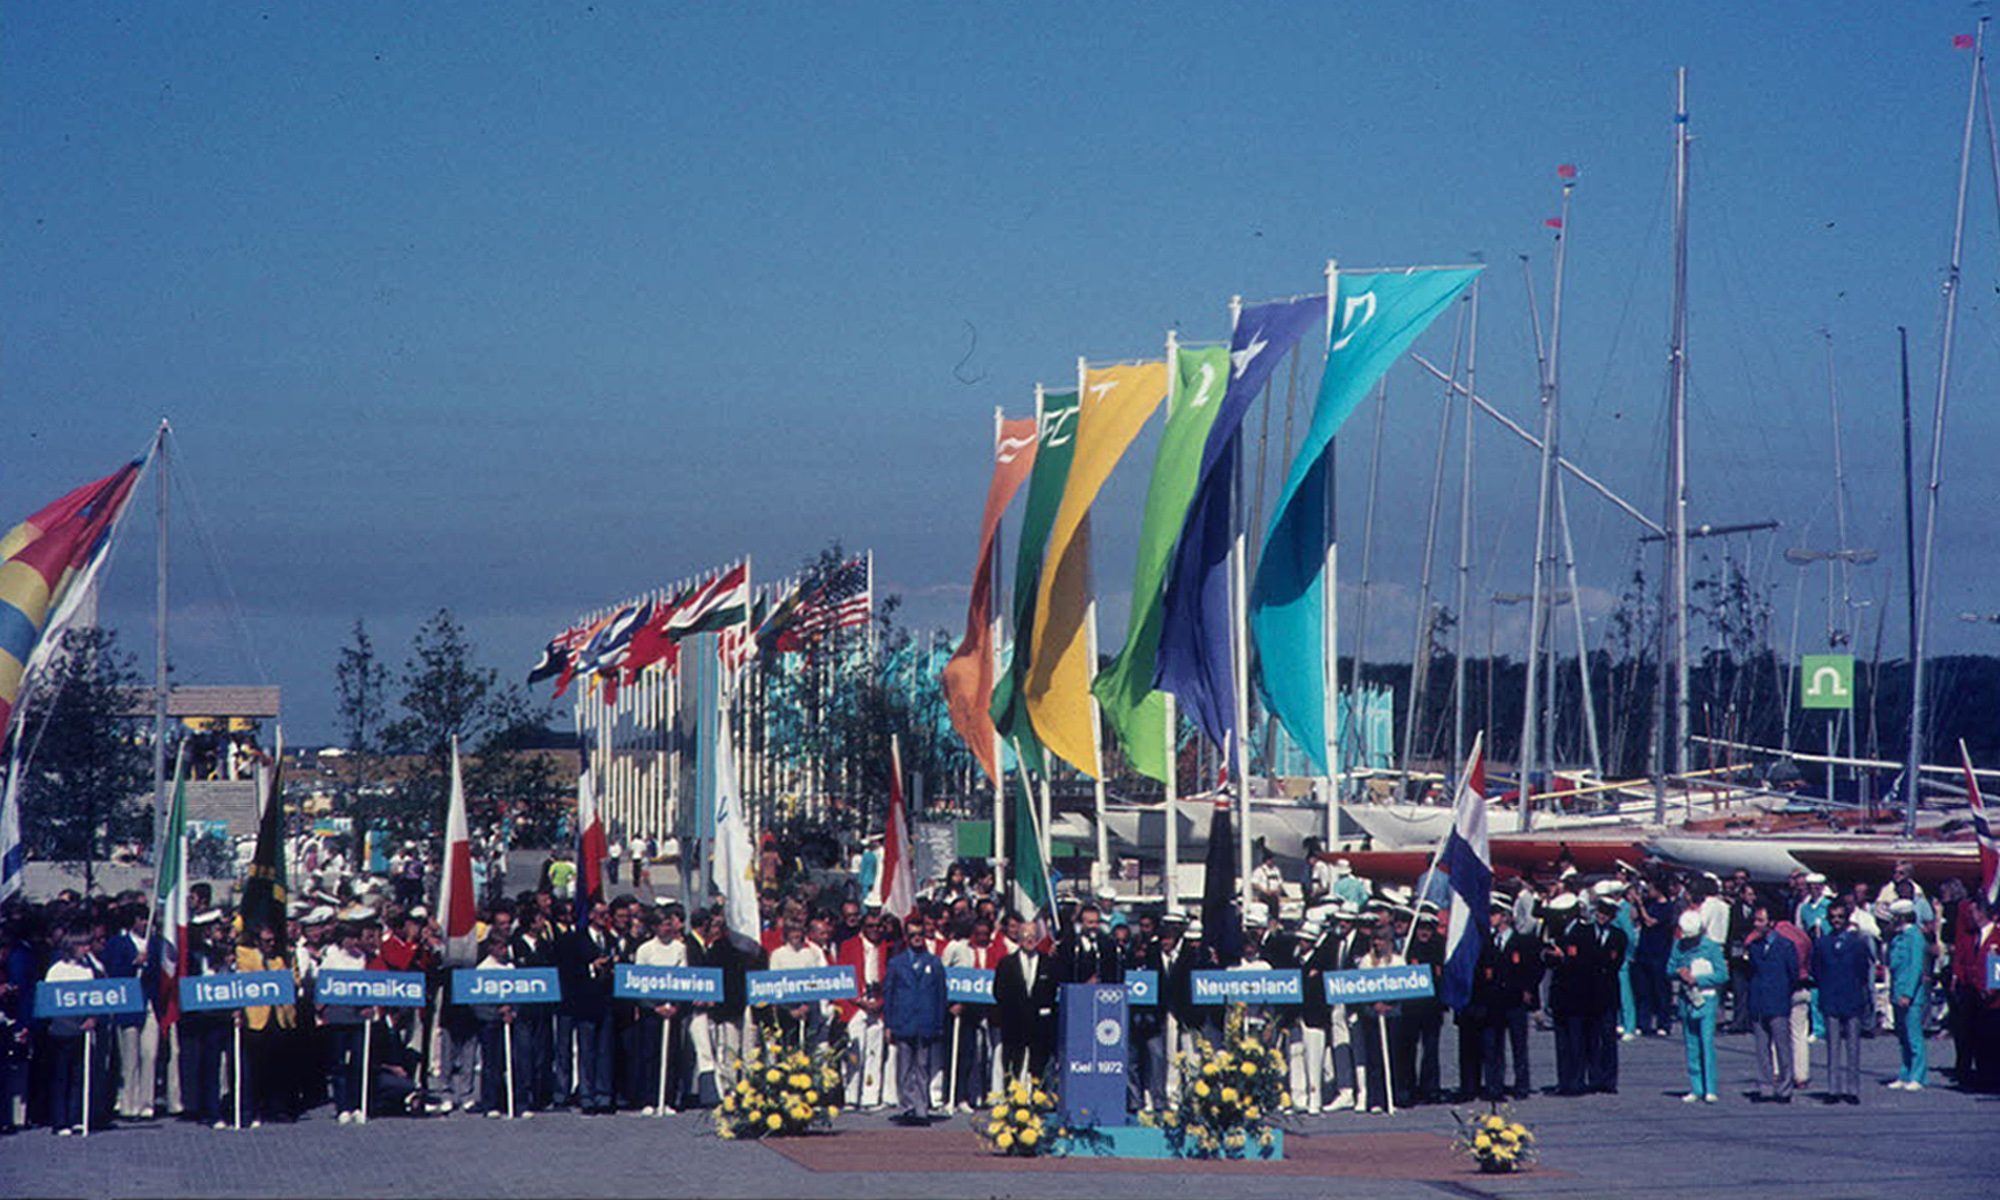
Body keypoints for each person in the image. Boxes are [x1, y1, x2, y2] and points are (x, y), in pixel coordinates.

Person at [555, 900, 618, 1114]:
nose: (604, 916)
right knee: (586, 1050)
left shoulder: (610, 939)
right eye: (600, 913)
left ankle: (604, 1094)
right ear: (590, 915)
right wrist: (592, 966)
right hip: (584, 1001)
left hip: (606, 1001)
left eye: (606, 913)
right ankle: (586, 1094)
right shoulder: (576, 939)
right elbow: (570, 969)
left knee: (604, 1050)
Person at [882, 914, 946, 1125]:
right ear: (907, 938)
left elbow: (940, 995)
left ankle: (921, 1107)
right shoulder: (896, 963)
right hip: (903, 1021)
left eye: (920, 935)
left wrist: (939, 1023)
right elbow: (889, 995)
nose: (917, 938)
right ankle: (907, 1105)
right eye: (912, 935)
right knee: (904, 1067)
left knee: (923, 1066)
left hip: (926, 1022)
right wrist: (889, 1024)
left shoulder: (934, 963)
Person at [1476, 898, 1541, 1101]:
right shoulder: (1488, 942)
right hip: (1494, 1001)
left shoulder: (1522, 942)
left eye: (1494, 914)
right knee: (1494, 1047)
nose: (1491, 918)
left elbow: (1534, 968)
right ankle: (1495, 1086)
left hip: (1515, 999)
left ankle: (1522, 1086)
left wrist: (1529, 990)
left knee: (1519, 1045)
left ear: (1504, 917)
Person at [1810, 902, 1872, 1105]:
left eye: (1840, 917)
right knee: (1832, 1046)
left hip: (1852, 997)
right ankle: (1833, 1088)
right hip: (1830, 998)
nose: (1836, 921)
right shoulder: (1822, 944)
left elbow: (1863, 971)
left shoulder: (1858, 943)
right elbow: (1817, 970)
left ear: (1847, 920)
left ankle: (1852, 1089)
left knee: (1853, 1046)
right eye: (1833, 917)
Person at [632, 903, 691, 1115]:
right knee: (650, 1054)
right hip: (652, 1011)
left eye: (670, 925)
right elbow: (637, 982)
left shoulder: (680, 949)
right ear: (655, 927)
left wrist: (675, 1006)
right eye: (664, 925)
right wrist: (654, 1006)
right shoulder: (645, 950)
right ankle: (649, 1098)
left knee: (672, 1054)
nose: (668, 929)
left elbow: (684, 980)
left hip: (672, 1010)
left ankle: (668, 1098)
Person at [1667, 909, 1725, 1103]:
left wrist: (1698, 979)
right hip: (1686, 999)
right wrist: (1679, 972)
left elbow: (1722, 974)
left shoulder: (1711, 947)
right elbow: (1669, 967)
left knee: (1706, 1043)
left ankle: (1710, 1087)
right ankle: (1696, 1087)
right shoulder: (1678, 945)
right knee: (1691, 1043)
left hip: (1706, 998)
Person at [1743, 904, 1799, 1102]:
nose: (1756, 924)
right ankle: (1765, 1086)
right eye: (1755, 920)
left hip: (1777, 1001)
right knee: (1762, 1048)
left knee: (1783, 1047)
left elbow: (1793, 975)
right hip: (1758, 1001)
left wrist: (1783, 992)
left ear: (1771, 923)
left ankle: (1785, 1087)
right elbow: (1750, 972)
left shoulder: (1786, 946)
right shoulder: (1755, 946)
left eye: (1760, 920)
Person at [995, 919, 1058, 1083]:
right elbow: (999, 992)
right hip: (1014, 1023)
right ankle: (1012, 1099)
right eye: (1026, 935)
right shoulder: (1007, 963)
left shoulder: (1049, 963)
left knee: (1039, 1065)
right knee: (1012, 1063)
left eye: (1033, 935)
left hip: (1040, 1023)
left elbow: (1052, 992)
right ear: (1019, 937)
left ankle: (1038, 1100)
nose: (1030, 939)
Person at [1886, 898, 1930, 1090]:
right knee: (1902, 1037)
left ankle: (1918, 1076)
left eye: (1894, 917)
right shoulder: (1898, 937)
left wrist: (1908, 993)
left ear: (1902, 917)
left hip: (1909, 995)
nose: (1892, 920)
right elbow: (1891, 965)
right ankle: (1905, 1074)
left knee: (1913, 1037)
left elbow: (1915, 968)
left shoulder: (1915, 937)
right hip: (1897, 991)